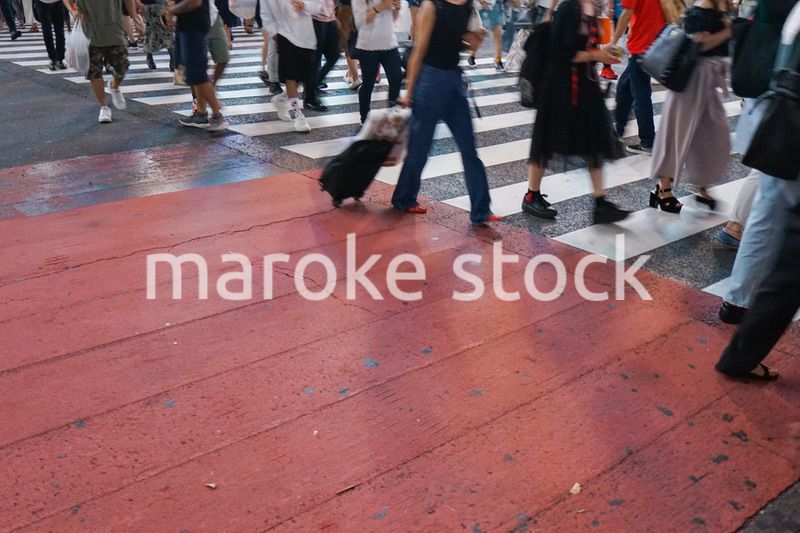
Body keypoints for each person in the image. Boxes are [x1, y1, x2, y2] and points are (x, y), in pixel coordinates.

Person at [392, 0, 502, 225]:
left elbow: (469, 43)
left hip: (454, 81)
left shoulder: (467, 5)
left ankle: (481, 210)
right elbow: (419, 50)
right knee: (419, 149)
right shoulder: (433, 6)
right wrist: (409, 92)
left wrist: (475, 39)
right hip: (430, 82)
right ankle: (404, 197)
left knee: (469, 148)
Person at [521, 0, 630, 223]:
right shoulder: (570, 8)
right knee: (547, 139)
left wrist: (602, 53)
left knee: (595, 139)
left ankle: (600, 202)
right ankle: (532, 194)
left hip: (584, 84)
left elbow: (585, 47)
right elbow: (560, 53)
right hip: (560, 87)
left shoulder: (588, 9)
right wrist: (596, 56)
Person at [647, 0, 732, 214]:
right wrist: (729, 30)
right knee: (678, 133)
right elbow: (699, 43)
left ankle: (702, 186)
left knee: (712, 134)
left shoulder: (720, 5)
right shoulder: (702, 6)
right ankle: (663, 188)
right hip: (692, 79)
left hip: (708, 79)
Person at [165, 0, 230, 131]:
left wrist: (171, 11)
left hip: (195, 24)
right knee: (195, 73)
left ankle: (217, 114)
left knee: (197, 72)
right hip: (190, 24)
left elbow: (194, 2)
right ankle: (203, 113)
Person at [66, 0, 135, 123]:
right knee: (94, 72)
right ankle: (104, 107)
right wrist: (73, 10)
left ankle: (114, 86)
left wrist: (134, 17)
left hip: (114, 30)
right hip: (90, 32)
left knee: (122, 66)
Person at [610, 0, 664, 154]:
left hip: (641, 45)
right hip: (655, 44)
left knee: (641, 94)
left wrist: (613, 42)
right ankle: (619, 130)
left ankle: (648, 142)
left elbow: (626, 14)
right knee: (625, 85)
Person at [261, 0, 322, 133]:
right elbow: (265, 14)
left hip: (306, 36)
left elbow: (317, 5)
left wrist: (304, 5)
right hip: (284, 35)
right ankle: (298, 115)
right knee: (290, 76)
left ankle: (282, 98)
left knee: (306, 77)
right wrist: (275, 34)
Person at [352, 0, 403, 123]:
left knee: (396, 79)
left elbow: (393, 19)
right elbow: (359, 22)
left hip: (389, 43)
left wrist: (397, 8)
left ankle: (393, 115)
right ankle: (364, 117)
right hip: (369, 45)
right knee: (368, 83)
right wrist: (380, 7)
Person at [309, 0, 338, 111]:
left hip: (330, 19)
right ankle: (310, 99)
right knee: (315, 60)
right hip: (315, 20)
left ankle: (316, 82)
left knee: (334, 55)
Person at [141, 0, 176, 70]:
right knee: (152, 30)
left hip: (161, 4)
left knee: (166, 30)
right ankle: (172, 59)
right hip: (150, 5)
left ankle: (172, 58)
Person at [470, 0, 505, 69]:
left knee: (498, 35)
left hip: (496, 7)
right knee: (481, 34)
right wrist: (482, 2)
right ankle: (472, 55)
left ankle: (498, 60)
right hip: (483, 7)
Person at [336, 0, 362, 88]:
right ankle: (350, 74)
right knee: (355, 41)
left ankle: (355, 77)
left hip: (347, 8)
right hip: (360, 9)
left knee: (347, 43)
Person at [36, 0, 67, 70]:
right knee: (47, 31)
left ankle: (60, 58)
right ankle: (52, 58)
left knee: (59, 30)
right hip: (42, 3)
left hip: (58, 3)